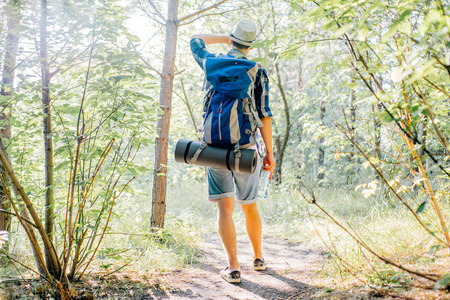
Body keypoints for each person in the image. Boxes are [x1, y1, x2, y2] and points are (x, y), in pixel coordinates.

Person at [190, 20, 275, 283]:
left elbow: (195, 40)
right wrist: (269, 153)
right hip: (246, 148)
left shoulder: (211, 63)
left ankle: (233, 268)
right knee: (249, 206)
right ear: (250, 45)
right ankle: (259, 259)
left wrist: (224, 38)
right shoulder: (257, 70)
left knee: (224, 209)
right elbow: (265, 115)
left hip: (214, 149)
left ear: (232, 40)